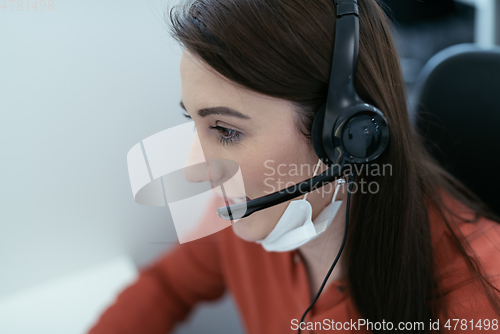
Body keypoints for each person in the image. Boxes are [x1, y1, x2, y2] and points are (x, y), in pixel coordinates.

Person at [87, 0, 500, 333]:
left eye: (225, 131)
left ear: (345, 137)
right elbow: (167, 285)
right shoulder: (250, 210)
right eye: (193, 123)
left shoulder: (478, 299)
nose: (195, 171)